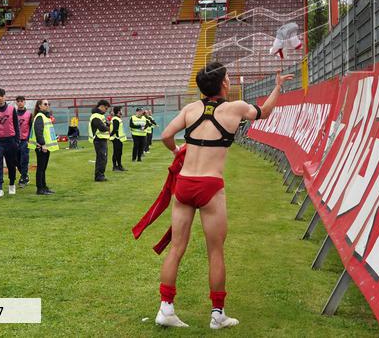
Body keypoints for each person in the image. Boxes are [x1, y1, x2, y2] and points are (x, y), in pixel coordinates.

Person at [151, 63, 293, 328]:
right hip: (210, 186)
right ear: (224, 84)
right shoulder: (236, 107)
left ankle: (166, 309)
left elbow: (167, 135)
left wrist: (176, 151)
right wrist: (277, 87)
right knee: (215, 251)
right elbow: (264, 112)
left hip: (185, 184)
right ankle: (217, 315)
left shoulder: (190, 109)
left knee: (176, 248)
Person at [0, 88, 20, 198]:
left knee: (11, 164)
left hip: (11, 140)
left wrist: (17, 140)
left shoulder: (11, 109)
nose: (0, 98)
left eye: (2, 96)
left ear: (5, 96)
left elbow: (16, 125)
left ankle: (11, 184)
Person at [30, 100, 57, 195]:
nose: (47, 105)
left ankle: (44, 187)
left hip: (45, 147)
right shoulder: (40, 117)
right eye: (45, 104)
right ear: (39, 106)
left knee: (43, 168)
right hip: (41, 147)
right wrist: (43, 144)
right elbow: (38, 132)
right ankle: (40, 188)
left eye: (48, 104)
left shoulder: (45, 116)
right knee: (41, 168)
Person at [89, 100, 111, 182]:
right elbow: (101, 127)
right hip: (99, 139)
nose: (106, 110)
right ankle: (99, 176)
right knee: (102, 158)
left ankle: (100, 175)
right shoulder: (96, 116)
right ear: (101, 106)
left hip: (102, 139)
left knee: (102, 158)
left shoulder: (100, 116)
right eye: (105, 108)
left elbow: (104, 125)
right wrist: (108, 128)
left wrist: (107, 125)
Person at [14, 96, 33, 188]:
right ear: (16, 103)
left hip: (25, 140)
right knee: (17, 161)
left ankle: (23, 177)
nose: (20, 103)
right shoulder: (13, 114)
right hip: (15, 140)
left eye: (22, 101)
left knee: (24, 160)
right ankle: (25, 175)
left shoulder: (29, 114)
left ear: (24, 102)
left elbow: (31, 127)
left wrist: (30, 139)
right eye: (18, 101)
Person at [110, 106, 127, 173]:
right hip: (116, 138)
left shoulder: (118, 118)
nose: (122, 111)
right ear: (118, 111)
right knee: (116, 153)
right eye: (121, 110)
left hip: (119, 138)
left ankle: (119, 166)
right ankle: (115, 166)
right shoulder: (115, 119)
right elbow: (115, 129)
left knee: (119, 153)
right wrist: (111, 135)